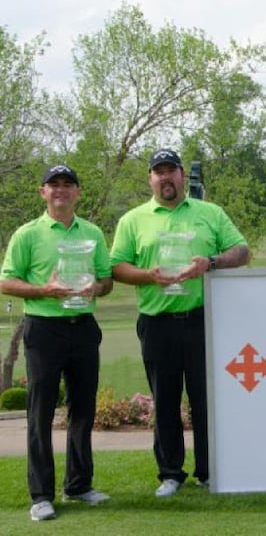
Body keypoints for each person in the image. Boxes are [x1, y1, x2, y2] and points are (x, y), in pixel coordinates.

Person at [110, 148, 249, 497]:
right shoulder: (133, 220)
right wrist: (148, 275)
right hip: (157, 322)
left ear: (183, 176)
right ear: (150, 178)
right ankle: (170, 473)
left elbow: (242, 252)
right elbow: (117, 268)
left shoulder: (209, 213)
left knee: (206, 399)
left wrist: (211, 262)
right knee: (166, 400)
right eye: (159, 172)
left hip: (203, 320)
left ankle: (208, 471)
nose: (165, 177)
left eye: (171, 170)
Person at [1, 164, 113, 522]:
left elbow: (106, 280)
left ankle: (79, 484)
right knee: (40, 413)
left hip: (82, 327)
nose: (61, 190)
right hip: (44, 329)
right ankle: (41, 495)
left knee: (82, 410)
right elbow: (7, 282)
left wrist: (97, 287)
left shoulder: (93, 232)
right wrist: (44, 290)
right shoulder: (27, 234)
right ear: (43, 192)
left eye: (68, 184)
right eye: (54, 185)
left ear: (78, 192)